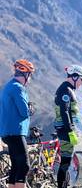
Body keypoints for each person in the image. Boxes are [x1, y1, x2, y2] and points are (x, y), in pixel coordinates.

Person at [0, 59, 35, 188]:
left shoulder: (9, 86)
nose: (30, 78)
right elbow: (24, 112)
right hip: (16, 132)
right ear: (26, 74)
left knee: (16, 165)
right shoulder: (18, 88)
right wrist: (30, 109)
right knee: (24, 166)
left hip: (6, 132)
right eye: (30, 75)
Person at [54, 65, 82, 188]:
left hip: (65, 129)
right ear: (74, 76)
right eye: (81, 79)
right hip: (65, 130)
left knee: (66, 162)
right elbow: (65, 112)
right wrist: (70, 131)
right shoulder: (66, 90)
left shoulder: (67, 89)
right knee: (65, 162)